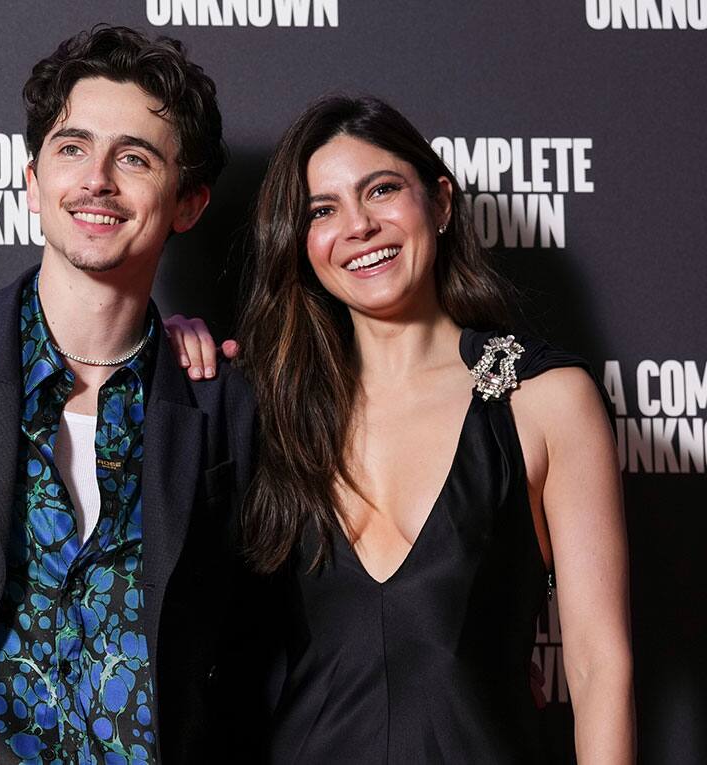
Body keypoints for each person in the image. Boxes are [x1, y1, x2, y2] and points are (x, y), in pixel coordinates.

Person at [0, 25, 271, 764]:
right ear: (33, 179)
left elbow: (255, 651)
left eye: (134, 156)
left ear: (188, 202)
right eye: (72, 147)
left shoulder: (220, 406)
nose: (96, 178)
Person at [166, 95, 634, 761]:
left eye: (381, 190)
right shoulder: (264, 407)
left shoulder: (543, 396)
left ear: (439, 203)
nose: (357, 225)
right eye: (322, 210)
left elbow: (597, 666)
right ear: (300, 245)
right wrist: (170, 346)